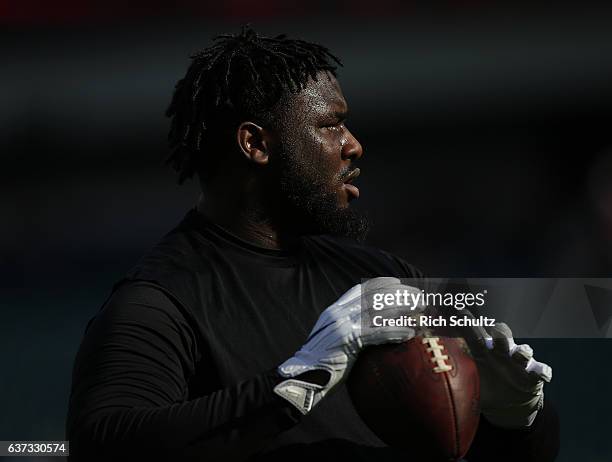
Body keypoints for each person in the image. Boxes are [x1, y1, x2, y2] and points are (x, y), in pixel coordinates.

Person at [66, 26, 559, 461]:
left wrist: (517, 419)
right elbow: (102, 443)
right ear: (255, 144)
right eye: (330, 124)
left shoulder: (384, 279)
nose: (353, 144)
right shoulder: (159, 302)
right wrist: (299, 379)